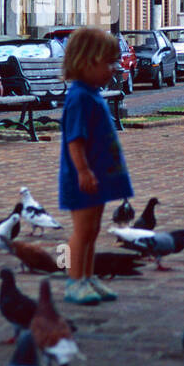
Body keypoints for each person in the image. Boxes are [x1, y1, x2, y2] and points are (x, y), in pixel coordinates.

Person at [58, 27, 134, 305]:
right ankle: (75, 281)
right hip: (84, 178)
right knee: (83, 231)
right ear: (86, 62)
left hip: (97, 177)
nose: (113, 69)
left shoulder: (91, 94)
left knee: (93, 230)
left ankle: (87, 277)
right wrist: (83, 171)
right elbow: (74, 140)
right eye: (109, 63)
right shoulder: (79, 98)